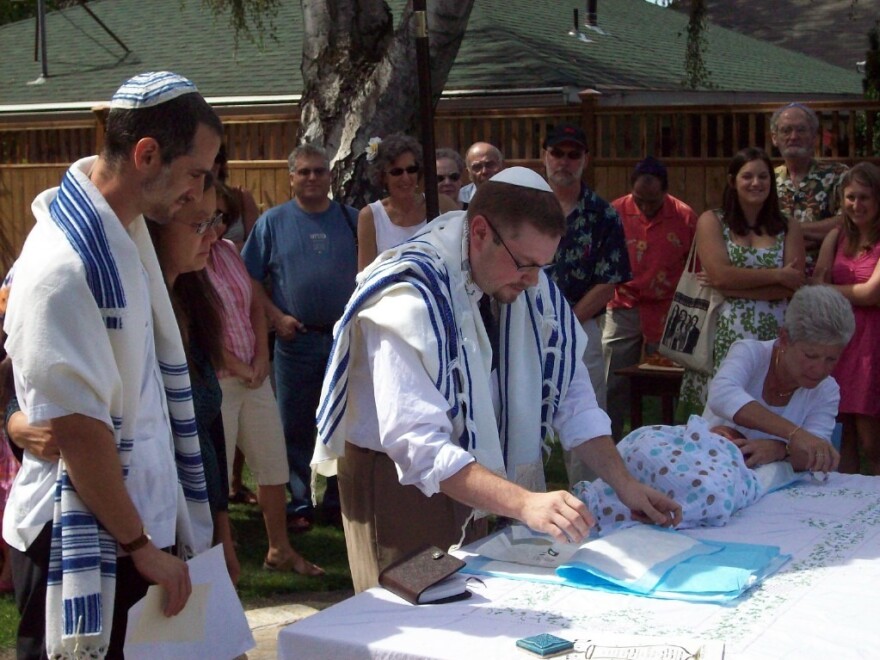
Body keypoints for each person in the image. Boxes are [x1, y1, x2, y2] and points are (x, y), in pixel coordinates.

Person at [312, 167, 681, 593]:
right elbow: (419, 447)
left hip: (481, 483)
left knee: (476, 619)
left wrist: (627, 486)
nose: (534, 280)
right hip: (400, 489)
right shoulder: (408, 294)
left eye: (544, 266)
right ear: (481, 232)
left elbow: (574, 400)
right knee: (414, 633)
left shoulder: (531, 287)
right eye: (525, 264)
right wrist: (525, 502)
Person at [2, 72, 218, 659]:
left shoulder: (124, 241)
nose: (198, 196)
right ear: (147, 154)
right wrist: (140, 544)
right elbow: (77, 428)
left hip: (130, 524)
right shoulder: (64, 265)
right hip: (81, 534)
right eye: (196, 174)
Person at [575, 285, 852, 533]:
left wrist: (781, 448)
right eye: (811, 356)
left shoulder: (827, 390)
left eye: (831, 359)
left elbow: (817, 452)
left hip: (737, 488)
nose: (820, 368)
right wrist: (793, 435)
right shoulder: (751, 353)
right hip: (695, 464)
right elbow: (723, 395)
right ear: (784, 339)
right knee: (641, 450)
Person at [242, 143, 358, 531]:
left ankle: (340, 499)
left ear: (330, 176)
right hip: (296, 340)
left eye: (319, 171)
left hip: (344, 341)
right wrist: (275, 317)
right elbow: (250, 278)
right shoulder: (272, 223)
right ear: (291, 177)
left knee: (345, 419)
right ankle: (299, 501)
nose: (312, 178)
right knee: (294, 424)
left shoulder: (352, 220)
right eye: (304, 171)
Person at [206, 199, 324, 574]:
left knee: (272, 466)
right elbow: (194, 326)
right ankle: (218, 557)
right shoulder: (184, 259)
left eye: (220, 218)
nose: (215, 226)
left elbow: (254, 304)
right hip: (219, 381)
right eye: (207, 219)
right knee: (217, 478)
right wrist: (238, 365)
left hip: (253, 376)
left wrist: (260, 358)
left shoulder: (227, 251)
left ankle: (280, 550)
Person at [146, 185, 241, 585]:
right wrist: (17, 422)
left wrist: (223, 532)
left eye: (215, 221)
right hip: (150, 524)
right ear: (155, 232)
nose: (214, 234)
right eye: (200, 223)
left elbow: (208, 427)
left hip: (198, 516)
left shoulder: (192, 301)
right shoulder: (131, 312)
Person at [679, 147, 806, 413]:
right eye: (747, 176)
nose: (756, 183)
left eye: (763, 177)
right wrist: (776, 275)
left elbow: (793, 284)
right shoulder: (712, 221)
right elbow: (719, 274)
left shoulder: (789, 227)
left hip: (775, 335)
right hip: (722, 333)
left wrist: (732, 286)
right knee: (722, 415)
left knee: (768, 410)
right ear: (732, 181)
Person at [543, 122, 631, 483]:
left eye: (572, 154)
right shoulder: (525, 205)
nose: (564, 161)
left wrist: (565, 320)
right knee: (518, 419)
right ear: (544, 156)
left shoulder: (603, 214)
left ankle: (588, 501)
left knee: (586, 416)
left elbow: (609, 282)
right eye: (557, 153)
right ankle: (516, 509)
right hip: (521, 328)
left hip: (580, 328)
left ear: (585, 159)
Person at [605, 157, 697, 440]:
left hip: (668, 308)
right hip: (623, 303)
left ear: (665, 192)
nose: (645, 207)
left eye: (652, 201)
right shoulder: (615, 211)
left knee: (670, 381)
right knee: (613, 380)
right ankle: (611, 441)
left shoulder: (683, 216)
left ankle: (670, 441)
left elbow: (695, 264)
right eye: (640, 200)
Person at [813, 162, 880, 474]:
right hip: (839, 341)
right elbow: (817, 284)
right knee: (842, 435)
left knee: (872, 440)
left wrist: (831, 289)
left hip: (872, 343)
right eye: (850, 197)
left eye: (865, 197)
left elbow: (872, 294)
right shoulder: (836, 237)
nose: (857, 205)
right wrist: (831, 289)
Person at [357, 134, 458, 270]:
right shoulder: (370, 216)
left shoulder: (443, 205)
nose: (406, 178)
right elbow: (365, 274)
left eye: (411, 170)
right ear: (383, 176)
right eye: (397, 172)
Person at [771, 102, 848, 271]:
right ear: (774, 138)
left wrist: (788, 231)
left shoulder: (838, 175)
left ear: (814, 137)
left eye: (801, 130)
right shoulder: (765, 179)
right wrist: (817, 233)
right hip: (774, 273)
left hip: (826, 274)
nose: (793, 136)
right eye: (786, 130)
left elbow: (847, 222)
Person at [212, 143, 260, 248]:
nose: (214, 164)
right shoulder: (185, 201)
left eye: (217, 159)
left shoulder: (240, 196)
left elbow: (255, 245)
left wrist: (223, 250)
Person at [458, 141, 505, 206]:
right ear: (469, 172)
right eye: (477, 167)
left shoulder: (516, 195)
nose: (484, 171)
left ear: (502, 165)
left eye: (490, 164)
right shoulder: (461, 198)